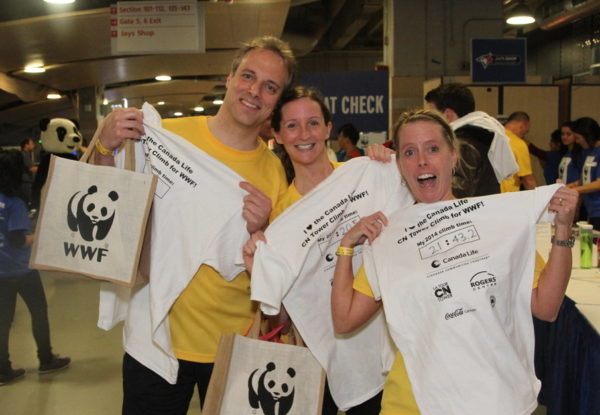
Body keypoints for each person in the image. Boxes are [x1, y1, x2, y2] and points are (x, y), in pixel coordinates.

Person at [93, 35, 296, 414]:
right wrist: (105, 147)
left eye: (270, 87)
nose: (255, 91)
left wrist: (260, 230)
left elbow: (275, 271)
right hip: (155, 339)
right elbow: (110, 203)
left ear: (277, 100)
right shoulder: (166, 136)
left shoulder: (275, 173)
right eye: (249, 76)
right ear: (230, 76)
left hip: (234, 348)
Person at [331, 109, 577, 415]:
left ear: (454, 157)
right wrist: (345, 248)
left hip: (491, 400)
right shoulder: (391, 239)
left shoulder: (495, 221)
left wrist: (563, 230)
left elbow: (547, 307)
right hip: (411, 404)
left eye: (433, 149)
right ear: (400, 165)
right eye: (410, 152)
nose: (422, 160)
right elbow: (344, 320)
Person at [243, 86, 384, 414]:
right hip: (319, 363)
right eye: (291, 125)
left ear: (328, 128)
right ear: (276, 135)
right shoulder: (280, 220)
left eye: (313, 123)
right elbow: (279, 319)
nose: (303, 134)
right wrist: (260, 274)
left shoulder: (366, 177)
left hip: (385, 352)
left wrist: (390, 163)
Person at [0, 150, 70, 386]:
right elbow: (18, 239)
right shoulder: (15, 203)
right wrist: (39, 235)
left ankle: (3, 369)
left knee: (3, 320)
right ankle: (46, 358)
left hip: (0, 271)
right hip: (21, 269)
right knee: (38, 311)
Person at [425, 83, 517, 198]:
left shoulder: (464, 144)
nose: (429, 121)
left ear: (448, 115)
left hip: (470, 214)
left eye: (432, 115)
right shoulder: (478, 135)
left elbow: (456, 192)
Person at [568, 117, 600, 229]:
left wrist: (574, 190)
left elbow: (598, 183)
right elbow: (585, 178)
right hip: (591, 209)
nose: (577, 141)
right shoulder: (587, 152)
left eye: (578, 138)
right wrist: (572, 185)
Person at [502, 111, 537, 191]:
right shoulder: (518, 143)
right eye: (526, 132)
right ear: (522, 125)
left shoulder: (492, 137)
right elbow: (528, 180)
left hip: (487, 196)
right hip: (508, 196)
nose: (524, 135)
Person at [19, 138, 37, 207]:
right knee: (27, 201)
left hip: (26, 183)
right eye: (31, 144)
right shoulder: (24, 155)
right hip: (25, 183)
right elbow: (32, 169)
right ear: (26, 145)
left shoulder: (26, 154)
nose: (33, 145)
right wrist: (44, 168)